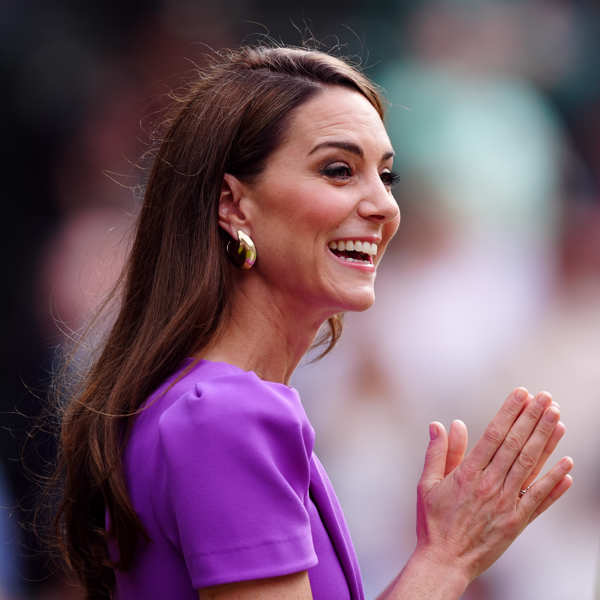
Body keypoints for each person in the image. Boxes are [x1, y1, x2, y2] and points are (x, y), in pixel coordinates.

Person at [53, 45, 573, 600]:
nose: (384, 206)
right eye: (339, 170)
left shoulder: (205, 403)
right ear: (233, 206)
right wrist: (448, 560)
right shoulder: (228, 418)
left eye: (388, 176)